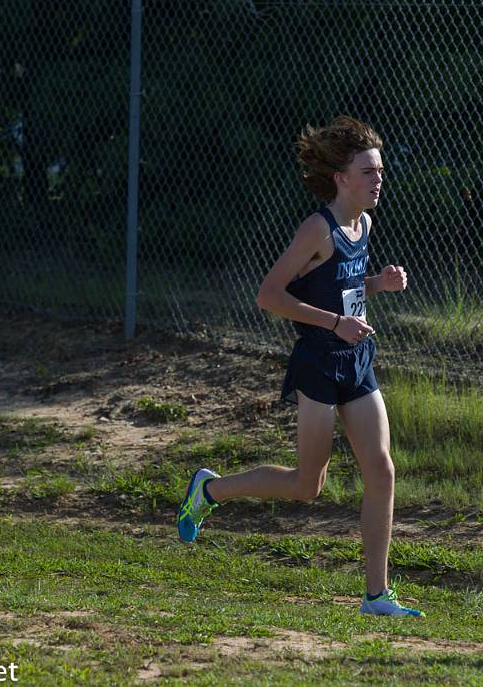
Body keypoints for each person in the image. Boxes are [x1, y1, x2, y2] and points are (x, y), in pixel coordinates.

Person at [176, 115, 423, 617]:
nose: (379, 180)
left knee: (382, 469)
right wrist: (335, 324)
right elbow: (270, 296)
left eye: (380, 171)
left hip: (356, 359)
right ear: (341, 179)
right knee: (307, 486)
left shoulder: (364, 223)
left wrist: (379, 284)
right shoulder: (318, 227)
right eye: (368, 172)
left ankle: (376, 596)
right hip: (318, 363)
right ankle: (210, 489)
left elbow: (342, 286)